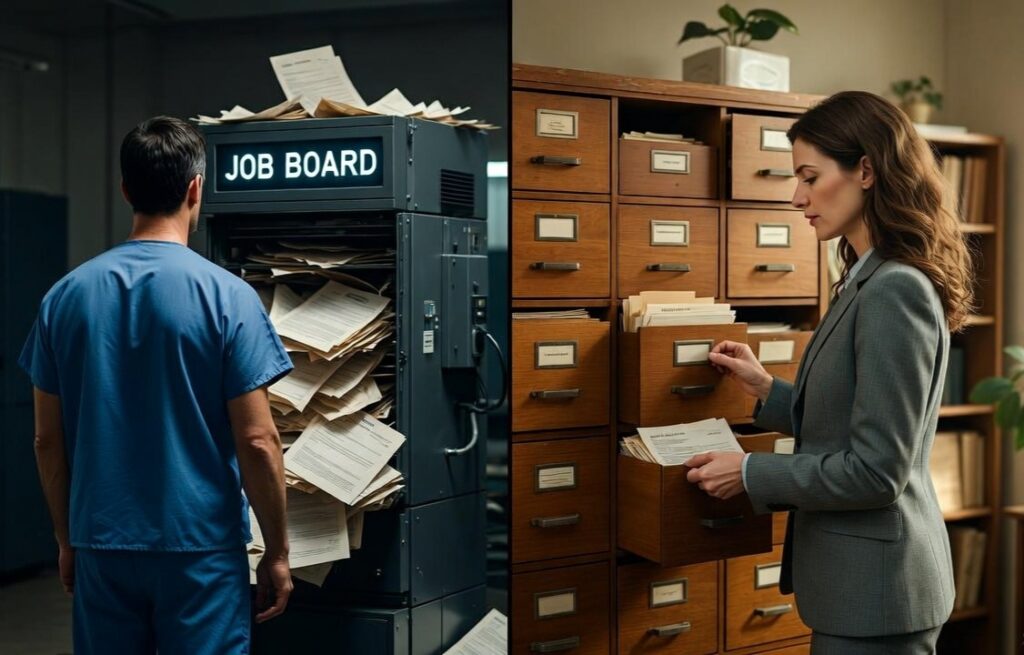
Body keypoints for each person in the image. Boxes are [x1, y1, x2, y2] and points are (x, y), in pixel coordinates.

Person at [684, 91, 972, 653]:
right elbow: (855, 417)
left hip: (879, 596)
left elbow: (876, 472)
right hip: (861, 587)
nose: (798, 197)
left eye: (811, 177)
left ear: (865, 170)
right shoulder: (868, 277)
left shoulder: (894, 290)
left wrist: (749, 473)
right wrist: (766, 389)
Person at [19, 116, 296, 654]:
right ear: (197, 189)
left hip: (102, 542)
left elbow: (46, 440)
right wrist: (278, 553)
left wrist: (65, 539)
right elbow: (259, 441)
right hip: (200, 550)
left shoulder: (64, 298)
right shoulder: (228, 298)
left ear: (126, 190)